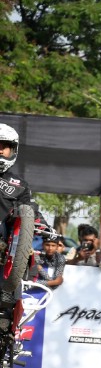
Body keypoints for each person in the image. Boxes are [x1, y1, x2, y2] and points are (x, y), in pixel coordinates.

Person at [0, 123, 32, 333]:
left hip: (4, 245)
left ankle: (7, 324)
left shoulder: (19, 185)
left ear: (13, 150)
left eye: (4, 146)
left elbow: (29, 214)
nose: (0, 150)